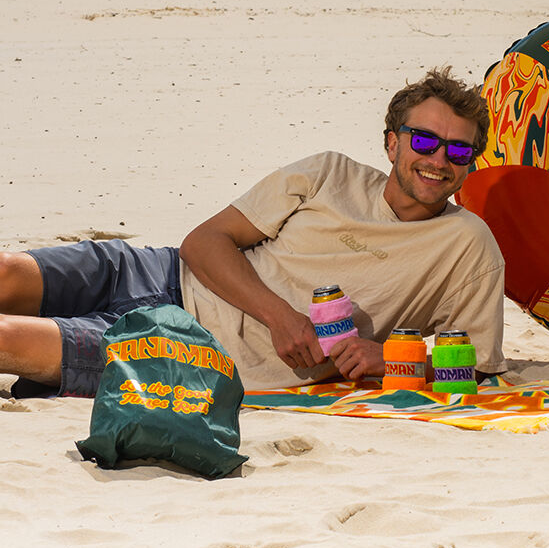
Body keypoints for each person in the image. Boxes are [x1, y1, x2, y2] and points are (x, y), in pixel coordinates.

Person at [0, 66, 506, 397]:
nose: (438, 160)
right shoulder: (328, 173)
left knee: (8, 337)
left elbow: (475, 365)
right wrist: (281, 316)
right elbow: (205, 242)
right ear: (392, 143)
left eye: (458, 150)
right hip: (163, 272)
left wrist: (387, 357)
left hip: (196, 351)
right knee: (7, 275)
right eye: (424, 140)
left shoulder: (469, 246)